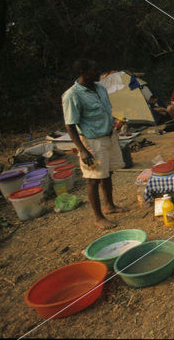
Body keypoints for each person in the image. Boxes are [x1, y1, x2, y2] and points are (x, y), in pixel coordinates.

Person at [62, 59, 127, 229]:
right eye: (95, 70)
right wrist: (82, 150)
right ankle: (98, 218)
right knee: (92, 179)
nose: (99, 72)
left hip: (109, 136)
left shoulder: (99, 88)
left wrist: (115, 123)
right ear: (83, 72)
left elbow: (105, 111)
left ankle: (110, 206)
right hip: (92, 142)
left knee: (107, 173)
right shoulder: (72, 95)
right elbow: (70, 125)